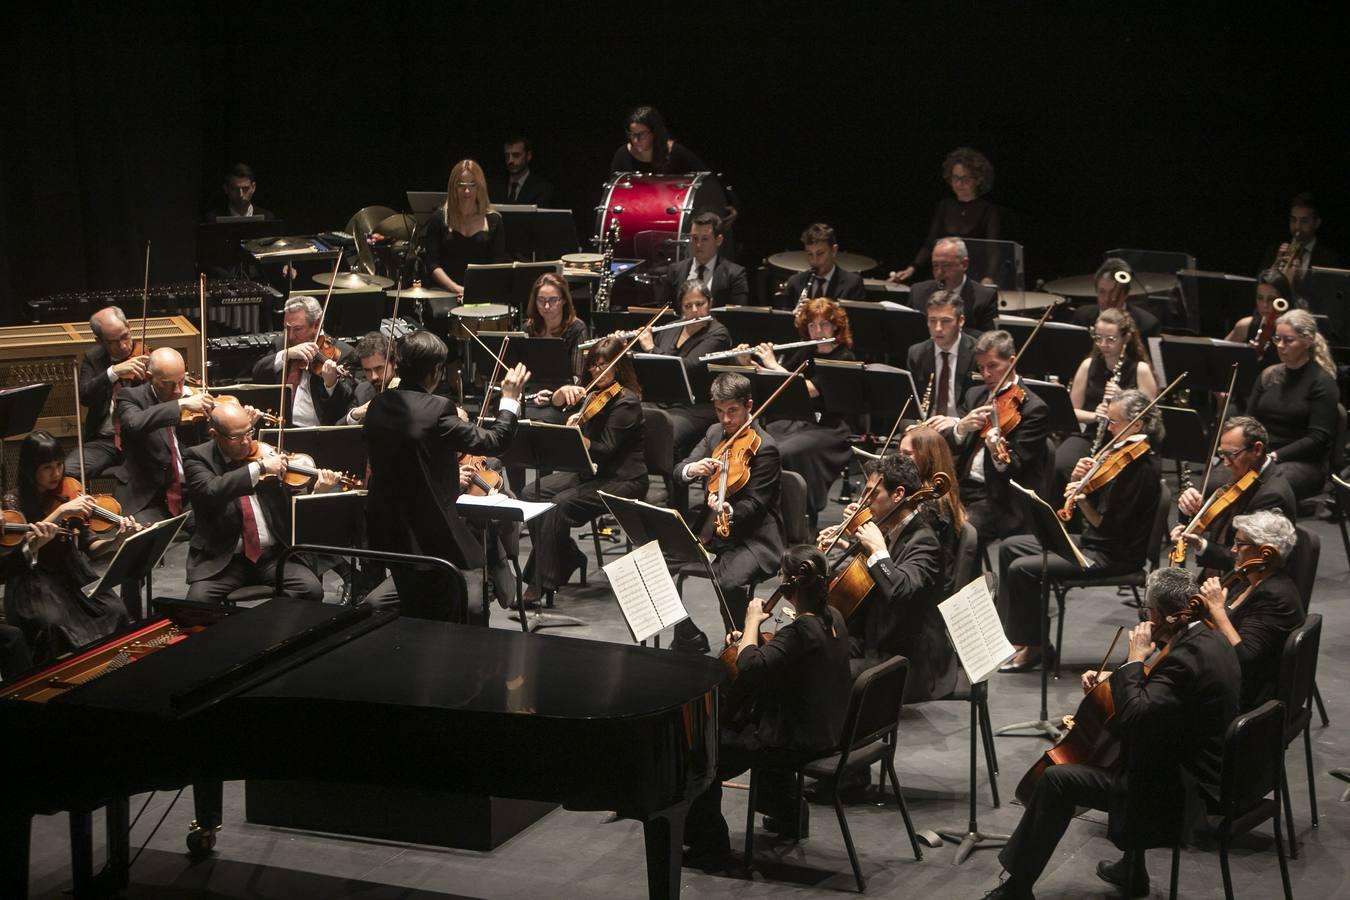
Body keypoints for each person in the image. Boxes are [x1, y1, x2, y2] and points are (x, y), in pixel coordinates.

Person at [983, 567, 1240, 900]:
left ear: (1166, 615)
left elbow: (1135, 717)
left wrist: (1133, 661)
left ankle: (1016, 888)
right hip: (1202, 767)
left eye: (1148, 611)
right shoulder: (1208, 637)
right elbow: (1163, 695)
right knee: (1124, 749)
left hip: (1178, 791)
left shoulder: (1185, 659)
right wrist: (1114, 679)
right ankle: (1133, 871)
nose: (1145, 617)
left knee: (1056, 780)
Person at [682, 546, 851, 871]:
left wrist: (750, 624)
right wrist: (752, 638)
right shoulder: (834, 619)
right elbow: (782, 660)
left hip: (794, 741)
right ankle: (789, 816)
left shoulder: (800, 630)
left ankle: (709, 846)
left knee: (703, 753)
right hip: (828, 729)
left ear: (789, 584)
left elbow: (749, 666)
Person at [363, 331, 529, 623]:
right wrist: (509, 400)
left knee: (415, 610)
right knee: (447, 612)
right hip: (434, 540)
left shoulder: (378, 406)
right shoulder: (437, 410)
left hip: (392, 537)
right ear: (435, 371)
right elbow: (495, 440)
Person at [997, 389, 1163, 673]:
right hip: (1094, 542)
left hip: (1113, 554)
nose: (1108, 428)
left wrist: (1084, 500)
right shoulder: (1118, 455)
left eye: (1114, 422)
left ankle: (1036, 648)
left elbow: (1107, 525)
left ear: (1136, 424)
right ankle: (1020, 639)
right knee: (1009, 546)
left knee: (1020, 569)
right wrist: (1080, 478)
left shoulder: (1142, 468)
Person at [816, 452, 952, 699]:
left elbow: (900, 589)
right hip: (874, 636)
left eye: (872, 493)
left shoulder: (925, 543)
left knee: (824, 672)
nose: (864, 502)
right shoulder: (890, 527)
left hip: (903, 657)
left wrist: (877, 549)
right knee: (811, 652)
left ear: (898, 495)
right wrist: (848, 546)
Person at [523, 338, 646, 600]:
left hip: (622, 478)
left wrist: (577, 435)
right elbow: (558, 406)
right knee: (531, 493)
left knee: (559, 504)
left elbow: (606, 448)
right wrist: (563, 403)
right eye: (593, 365)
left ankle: (542, 582)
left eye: (604, 365)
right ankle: (567, 555)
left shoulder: (627, 402)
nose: (597, 371)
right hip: (590, 472)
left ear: (618, 367)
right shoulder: (591, 394)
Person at [671, 373, 784, 654]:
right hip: (710, 531)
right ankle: (688, 636)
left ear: (748, 405)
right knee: (655, 562)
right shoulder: (713, 433)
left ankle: (740, 648)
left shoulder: (765, 448)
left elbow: (755, 504)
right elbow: (679, 469)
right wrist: (691, 469)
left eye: (732, 411)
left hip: (753, 538)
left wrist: (729, 509)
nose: (725, 419)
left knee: (729, 581)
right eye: (719, 411)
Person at [181, 402, 339, 604]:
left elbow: (292, 502)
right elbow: (212, 490)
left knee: (311, 590)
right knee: (196, 604)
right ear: (214, 434)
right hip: (226, 560)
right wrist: (260, 468)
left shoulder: (266, 452)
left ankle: (274, 620)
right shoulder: (197, 458)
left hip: (272, 557)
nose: (246, 442)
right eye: (236, 437)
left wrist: (317, 492)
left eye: (249, 432)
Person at [1, 432, 134, 667]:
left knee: (115, 610)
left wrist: (117, 540)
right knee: (52, 626)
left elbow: (92, 546)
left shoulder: (70, 491)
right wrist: (61, 512)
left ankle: (110, 668)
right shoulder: (13, 501)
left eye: (60, 465)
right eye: (47, 468)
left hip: (72, 574)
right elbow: (19, 555)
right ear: (31, 469)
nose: (57, 474)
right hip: (33, 582)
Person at [733, 298, 854, 520]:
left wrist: (772, 363)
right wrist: (747, 363)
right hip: (799, 421)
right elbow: (777, 380)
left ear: (836, 325)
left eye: (824, 324)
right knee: (759, 443)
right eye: (812, 325)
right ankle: (761, 507)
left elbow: (809, 389)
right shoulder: (806, 351)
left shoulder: (843, 357)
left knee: (785, 451)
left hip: (829, 428)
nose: (818, 331)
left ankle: (797, 514)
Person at [931, 329, 1050, 542]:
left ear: (1012, 362)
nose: (986, 374)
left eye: (993, 366)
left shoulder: (1033, 409)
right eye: (981, 368)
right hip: (960, 487)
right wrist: (961, 428)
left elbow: (1017, 468)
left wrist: (997, 454)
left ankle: (964, 576)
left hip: (997, 499)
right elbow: (950, 447)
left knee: (960, 529)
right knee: (918, 515)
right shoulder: (975, 395)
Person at [1195, 509, 1304, 711]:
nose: (1233, 550)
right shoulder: (1250, 579)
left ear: (1265, 552)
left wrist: (1218, 611)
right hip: (1225, 676)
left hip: (1242, 698)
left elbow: (1245, 659)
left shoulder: (1275, 597)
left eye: (1240, 544)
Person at [1051, 307, 1159, 496]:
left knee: (1109, 476)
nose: (1103, 344)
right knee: (1060, 464)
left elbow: (1151, 419)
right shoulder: (1088, 365)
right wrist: (1095, 415)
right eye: (1098, 337)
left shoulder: (1140, 369)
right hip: (1093, 435)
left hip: (1126, 442)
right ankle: (1069, 519)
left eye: (1111, 339)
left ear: (1126, 338)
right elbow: (1071, 411)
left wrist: (1123, 398)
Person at [1170, 416, 1297, 572]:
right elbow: (1206, 525)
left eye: (1232, 454)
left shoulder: (1272, 496)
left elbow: (1246, 561)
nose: (1226, 463)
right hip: (1218, 571)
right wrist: (1187, 508)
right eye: (1222, 454)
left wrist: (1201, 545)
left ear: (1257, 449)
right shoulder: (1242, 474)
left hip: (1244, 581)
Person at [1247, 308, 1339, 500]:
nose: (1280, 346)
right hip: (1262, 455)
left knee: (1266, 488)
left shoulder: (1322, 382)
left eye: (1288, 340)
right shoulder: (1268, 375)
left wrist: (1275, 456)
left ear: (1307, 341)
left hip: (1304, 463)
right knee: (1215, 482)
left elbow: (1317, 438)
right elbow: (1249, 420)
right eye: (1277, 339)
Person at [115, 347, 212, 525]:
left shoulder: (194, 397)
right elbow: (133, 424)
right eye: (168, 384)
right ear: (149, 377)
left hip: (190, 492)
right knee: (147, 540)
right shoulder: (129, 397)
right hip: (148, 497)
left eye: (181, 381)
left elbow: (209, 443)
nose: (177, 390)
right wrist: (180, 405)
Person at [636, 280, 733, 457]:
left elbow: (688, 366)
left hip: (697, 405)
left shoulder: (718, 334)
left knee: (664, 431)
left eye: (700, 304)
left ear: (710, 303)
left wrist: (651, 348)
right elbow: (649, 368)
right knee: (624, 415)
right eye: (688, 306)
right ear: (681, 308)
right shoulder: (669, 330)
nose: (695, 310)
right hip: (662, 400)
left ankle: (676, 479)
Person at [890, 147, 1005, 284]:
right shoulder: (944, 206)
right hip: (944, 276)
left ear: (978, 180)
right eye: (955, 177)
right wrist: (912, 267)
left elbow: (993, 250)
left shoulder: (988, 210)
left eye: (965, 179)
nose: (958, 184)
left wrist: (989, 278)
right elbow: (930, 244)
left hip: (973, 278)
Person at [66, 306, 150, 482]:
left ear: (129, 326)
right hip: (104, 442)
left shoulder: (147, 356)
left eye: (125, 336)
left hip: (141, 441)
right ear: (100, 341)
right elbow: (84, 396)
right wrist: (112, 372)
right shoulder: (93, 358)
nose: (123, 346)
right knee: (67, 471)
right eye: (113, 342)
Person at [250, 297, 357, 427]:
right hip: (279, 426)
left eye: (297, 329)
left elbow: (345, 404)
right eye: (287, 328)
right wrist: (286, 354)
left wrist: (331, 384)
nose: (290, 336)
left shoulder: (344, 353)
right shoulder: (282, 343)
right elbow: (257, 372)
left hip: (317, 433)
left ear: (317, 324)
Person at [899, 423, 967, 595]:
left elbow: (906, 562)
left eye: (907, 454)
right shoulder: (921, 494)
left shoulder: (931, 507)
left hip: (923, 592)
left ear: (927, 458)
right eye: (899, 453)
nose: (900, 460)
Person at [422, 159, 507, 299]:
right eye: (461, 185)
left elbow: (497, 263)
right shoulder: (439, 218)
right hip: (445, 293)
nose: (467, 191)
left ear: (479, 187)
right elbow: (432, 263)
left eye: (472, 185)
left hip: (482, 293)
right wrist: (456, 289)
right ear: (453, 187)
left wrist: (476, 291)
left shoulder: (494, 220)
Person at [522, 272, 590, 425]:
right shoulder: (528, 328)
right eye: (541, 300)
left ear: (564, 300)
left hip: (564, 397)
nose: (546, 306)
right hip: (533, 396)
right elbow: (522, 370)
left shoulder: (577, 328)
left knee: (541, 421)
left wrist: (554, 396)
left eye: (553, 300)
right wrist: (532, 396)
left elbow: (577, 377)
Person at [906, 289, 979, 420]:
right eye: (932, 320)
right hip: (927, 427)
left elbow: (981, 404)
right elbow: (910, 405)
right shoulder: (916, 353)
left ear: (961, 321)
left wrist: (956, 425)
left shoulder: (977, 353)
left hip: (962, 427)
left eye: (945, 321)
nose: (938, 328)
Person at [902, 237, 998, 333]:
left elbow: (988, 341)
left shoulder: (985, 297)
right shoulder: (918, 292)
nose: (939, 272)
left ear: (964, 264)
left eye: (946, 265)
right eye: (935, 265)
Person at [655, 211, 749, 308]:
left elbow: (738, 317)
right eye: (695, 238)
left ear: (718, 240)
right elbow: (664, 314)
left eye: (705, 239)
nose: (698, 245)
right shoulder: (674, 271)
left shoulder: (735, 274)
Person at [1262, 192, 1342, 294]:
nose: (1297, 227)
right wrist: (1274, 267)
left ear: (1316, 223)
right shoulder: (1274, 251)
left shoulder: (1329, 258)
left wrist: (1299, 281)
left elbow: (1330, 294)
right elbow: (1260, 286)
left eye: (1304, 221)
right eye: (1293, 220)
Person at [773, 223, 866, 310]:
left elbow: (855, 323)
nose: (814, 260)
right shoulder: (795, 282)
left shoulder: (852, 284)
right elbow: (783, 323)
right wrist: (794, 317)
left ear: (834, 250)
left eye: (820, 253)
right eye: (810, 254)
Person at [1070, 257, 1162, 338]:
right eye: (1102, 292)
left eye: (1113, 292)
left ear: (1126, 294)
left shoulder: (1147, 324)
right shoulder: (1081, 316)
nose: (1107, 299)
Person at [609, 105, 708, 174]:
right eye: (632, 134)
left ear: (655, 133)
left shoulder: (674, 152)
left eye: (642, 134)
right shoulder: (623, 154)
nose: (635, 140)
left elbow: (705, 179)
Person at [1224, 269, 1297, 344]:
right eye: (1260, 298)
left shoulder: (1296, 330)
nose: (1265, 305)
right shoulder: (1245, 326)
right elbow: (1220, 352)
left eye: (1271, 299)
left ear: (1283, 300)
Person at [342, 331, 397, 426]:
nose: (373, 376)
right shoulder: (362, 390)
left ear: (394, 363)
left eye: (379, 368)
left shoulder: (408, 390)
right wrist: (354, 415)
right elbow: (336, 432)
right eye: (367, 370)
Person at [491, 136, 553, 207]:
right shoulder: (494, 186)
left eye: (516, 155)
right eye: (507, 156)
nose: (510, 160)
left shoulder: (542, 188)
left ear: (529, 156)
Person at [206, 163, 275, 221]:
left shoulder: (267, 218)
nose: (240, 194)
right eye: (235, 189)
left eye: (245, 189)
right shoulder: (213, 219)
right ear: (226, 189)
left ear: (253, 187)